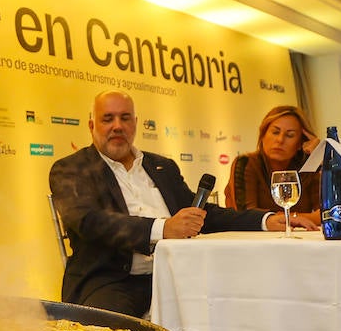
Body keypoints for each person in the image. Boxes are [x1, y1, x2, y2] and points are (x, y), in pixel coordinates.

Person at [49, 91, 311, 318]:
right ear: (91, 125)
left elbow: (203, 214)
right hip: (112, 281)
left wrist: (265, 220)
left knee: (246, 299)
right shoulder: (70, 169)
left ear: (135, 123)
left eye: (125, 118)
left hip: (178, 276)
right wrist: (163, 229)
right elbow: (90, 221)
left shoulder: (161, 166)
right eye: (108, 119)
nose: (117, 126)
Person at [230, 104, 322, 228]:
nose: (280, 140)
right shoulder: (246, 163)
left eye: (289, 135)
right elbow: (246, 216)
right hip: (251, 240)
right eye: (275, 132)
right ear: (263, 135)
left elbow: (326, 213)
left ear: (301, 141)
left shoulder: (308, 166)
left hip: (298, 239)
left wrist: (320, 159)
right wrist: (297, 218)